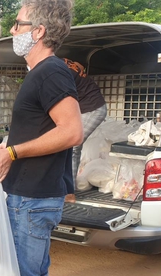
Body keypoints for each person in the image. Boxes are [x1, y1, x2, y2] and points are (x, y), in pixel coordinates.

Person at [0, 1, 83, 276]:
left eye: (17, 23)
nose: (12, 30)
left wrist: (14, 154)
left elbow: (71, 131)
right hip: (32, 195)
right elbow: (38, 127)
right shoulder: (40, 72)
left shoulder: (51, 72)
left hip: (31, 198)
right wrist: (5, 147)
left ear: (38, 31)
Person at [61, 58, 108, 202]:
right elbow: (80, 67)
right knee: (70, 147)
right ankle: (64, 188)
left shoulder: (56, 71)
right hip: (81, 109)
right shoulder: (63, 62)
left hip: (93, 108)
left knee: (72, 146)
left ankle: (69, 193)